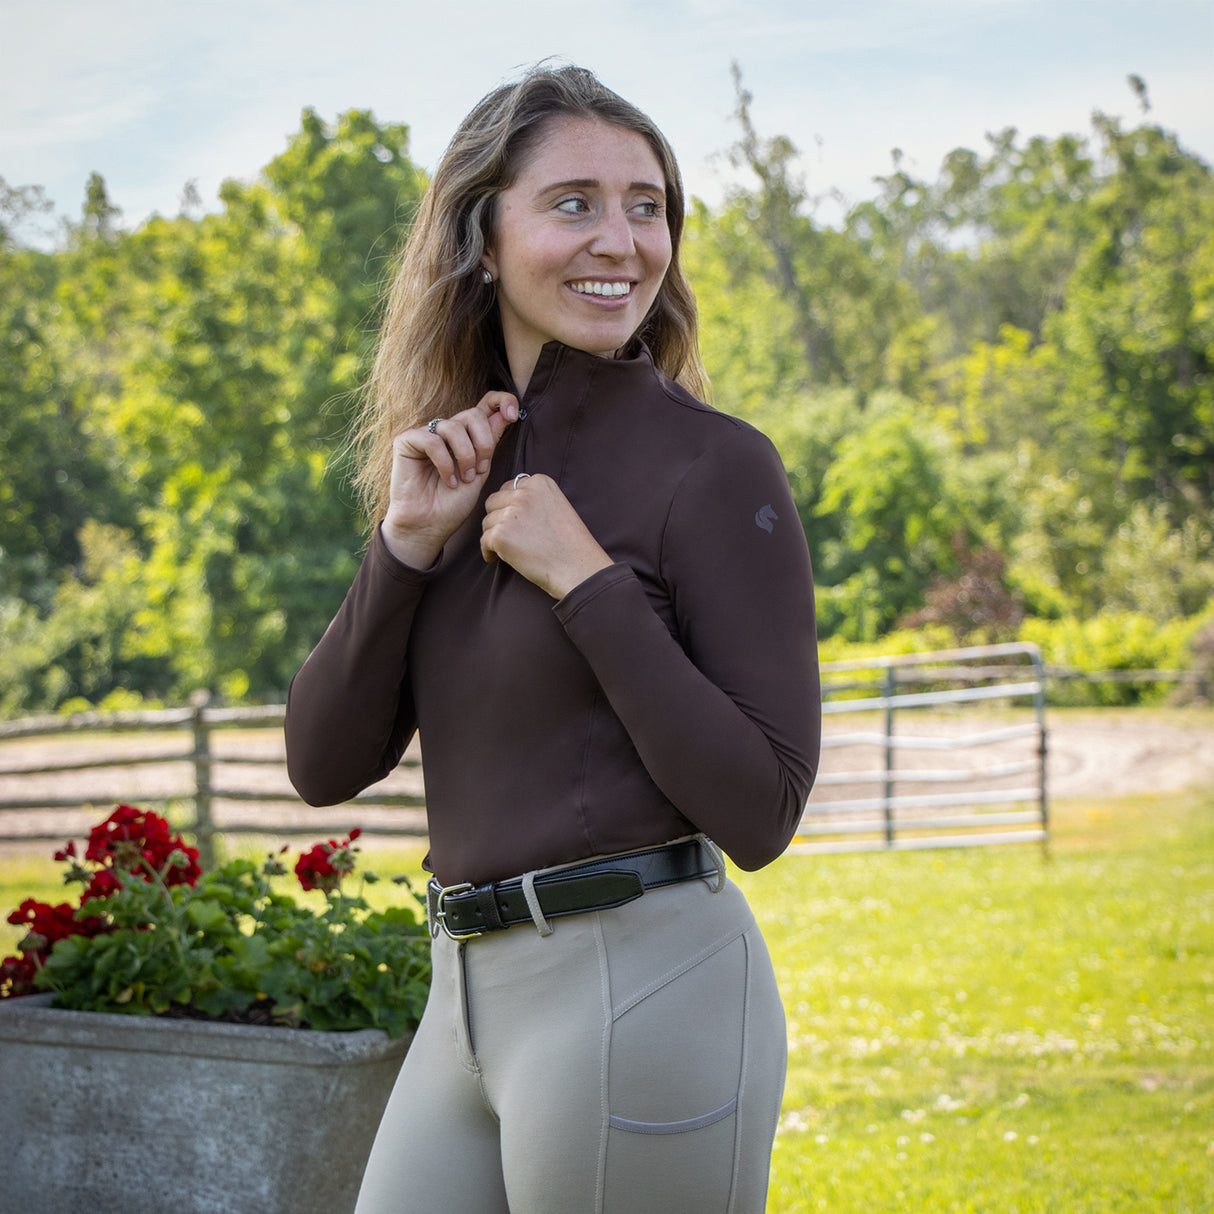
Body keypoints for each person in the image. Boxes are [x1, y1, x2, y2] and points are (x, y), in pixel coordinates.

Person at [284, 63, 821, 1214]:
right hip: (460, 1000)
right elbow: (322, 762)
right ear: (481, 238)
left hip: (644, 987)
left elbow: (762, 808)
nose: (619, 240)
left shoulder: (717, 467)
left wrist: (584, 581)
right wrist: (403, 547)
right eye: (572, 202)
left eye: (645, 206)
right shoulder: (457, 465)